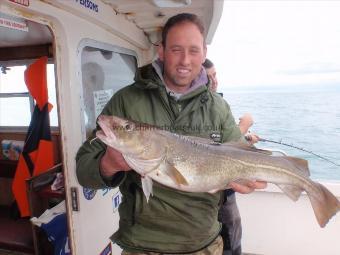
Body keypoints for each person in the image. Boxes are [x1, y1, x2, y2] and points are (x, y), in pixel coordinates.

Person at [76, 13, 266, 255]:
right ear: (162, 51)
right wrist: (107, 164)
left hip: (202, 245)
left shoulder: (217, 108)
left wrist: (246, 179)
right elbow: (83, 169)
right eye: (176, 49)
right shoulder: (126, 100)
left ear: (204, 53)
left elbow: (239, 155)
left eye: (193, 51)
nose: (185, 60)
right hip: (141, 245)